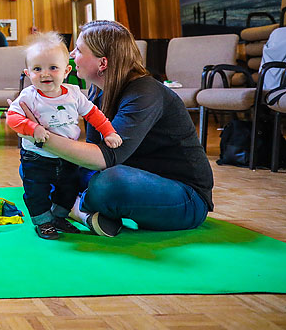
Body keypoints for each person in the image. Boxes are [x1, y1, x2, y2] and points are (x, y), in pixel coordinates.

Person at [15, 20, 214, 237]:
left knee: (109, 183)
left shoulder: (145, 92)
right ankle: (84, 211)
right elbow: (90, 154)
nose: (72, 55)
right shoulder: (98, 91)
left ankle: (77, 209)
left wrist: (40, 137)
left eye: (79, 50)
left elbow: (106, 157)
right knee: (40, 165)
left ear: (102, 63)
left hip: (184, 197)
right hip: (132, 177)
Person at [6, 32, 122, 240]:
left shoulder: (74, 93)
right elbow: (13, 119)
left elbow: (93, 114)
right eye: (37, 69)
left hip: (68, 156)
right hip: (36, 158)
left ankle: (58, 216)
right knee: (36, 192)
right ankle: (43, 222)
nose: (45, 74)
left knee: (68, 189)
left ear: (66, 71)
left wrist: (108, 131)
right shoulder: (29, 96)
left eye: (53, 68)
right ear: (28, 73)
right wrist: (32, 129)